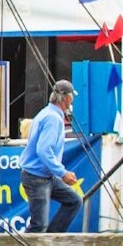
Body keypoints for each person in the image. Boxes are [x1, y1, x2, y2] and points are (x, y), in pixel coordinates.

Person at [22, 80, 83, 233]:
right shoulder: (53, 119)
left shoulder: (45, 113)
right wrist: (62, 173)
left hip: (43, 176)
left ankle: (51, 239)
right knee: (38, 225)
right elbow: (43, 150)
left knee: (74, 201)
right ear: (67, 98)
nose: (72, 101)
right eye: (71, 97)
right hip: (37, 177)